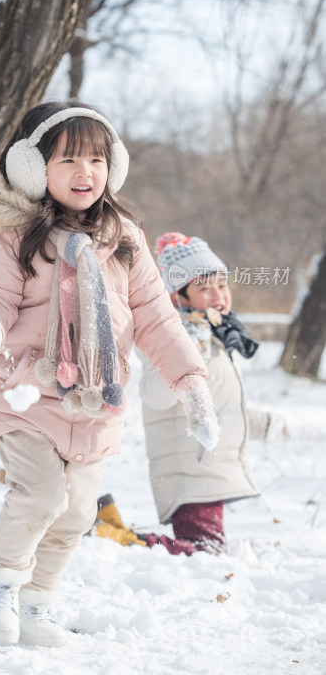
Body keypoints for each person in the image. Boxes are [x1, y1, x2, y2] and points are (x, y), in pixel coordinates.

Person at [0, 102, 220, 647]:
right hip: (22, 390)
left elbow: (155, 317)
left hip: (95, 400)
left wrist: (190, 381)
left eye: (97, 159)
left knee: (75, 513)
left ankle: (37, 600)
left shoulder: (124, 239)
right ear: (32, 167)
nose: (85, 172)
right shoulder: (16, 234)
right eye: (68, 159)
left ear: (112, 167)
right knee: (42, 494)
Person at [124, 231, 285, 556]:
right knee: (203, 550)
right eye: (204, 288)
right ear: (177, 296)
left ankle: (125, 539)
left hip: (206, 464)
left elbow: (220, 404)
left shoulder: (217, 336)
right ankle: (122, 541)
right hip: (188, 467)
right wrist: (188, 351)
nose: (217, 296)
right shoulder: (171, 337)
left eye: (222, 285)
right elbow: (157, 397)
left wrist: (263, 425)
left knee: (207, 547)